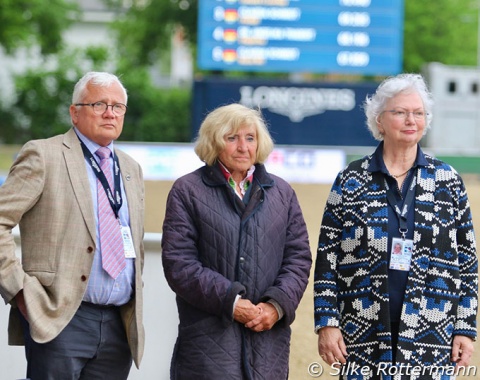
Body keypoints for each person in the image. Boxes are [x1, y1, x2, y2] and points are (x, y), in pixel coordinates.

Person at [313, 73, 478, 379]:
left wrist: (465, 328)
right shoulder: (351, 180)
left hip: (433, 336)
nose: (410, 119)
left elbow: (467, 261)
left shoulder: (448, 180)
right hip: (361, 335)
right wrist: (327, 322)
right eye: (400, 112)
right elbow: (327, 258)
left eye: (418, 113)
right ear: (379, 121)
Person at [0, 71, 145, 379]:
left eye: (118, 106)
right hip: (59, 317)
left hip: (119, 323)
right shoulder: (43, 155)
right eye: (99, 104)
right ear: (75, 112)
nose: (110, 112)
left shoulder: (131, 168)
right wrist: (20, 292)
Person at [161, 103, 312, 379]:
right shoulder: (186, 191)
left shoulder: (283, 193)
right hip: (208, 346)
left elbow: (298, 259)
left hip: (269, 344)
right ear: (214, 143)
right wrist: (231, 301)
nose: (243, 147)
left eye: (250, 138)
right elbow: (179, 264)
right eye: (232, 138)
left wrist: (276, 306)